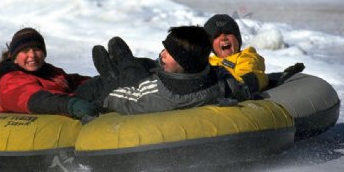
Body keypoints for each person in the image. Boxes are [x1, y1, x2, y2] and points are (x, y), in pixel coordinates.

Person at [79, 26, 251, 115]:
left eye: (169, 53)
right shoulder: (218, 80)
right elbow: (236, 86)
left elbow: (126, 99)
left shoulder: (158, 94)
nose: (162, 53)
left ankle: (118, 70)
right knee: (150, 64)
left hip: (131, 87)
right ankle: (127, 62)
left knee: (130, 78)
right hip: (189, 80)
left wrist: (105, 94)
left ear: (185, 63)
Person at [0, 27, 98, 120]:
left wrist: (102, 80)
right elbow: (35, 99)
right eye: (25, 51)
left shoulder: (52, 73)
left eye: (36, 49)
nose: (32, 55)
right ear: (14, 58)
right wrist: (71, 104)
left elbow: (75, 82)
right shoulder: (10, 81)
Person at [203, 14, 268, 92]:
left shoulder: (247, 58)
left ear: (238, 38)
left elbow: (242, 83)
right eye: (216, 36)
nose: (223, 38)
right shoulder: (207, 62)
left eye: (227, 33)